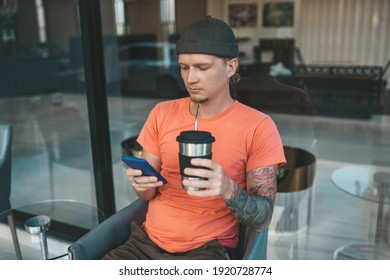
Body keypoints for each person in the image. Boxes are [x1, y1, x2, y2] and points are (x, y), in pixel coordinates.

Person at [102, 16, 286, 260]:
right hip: (144, 243)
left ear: (230, 67)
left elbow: (263, 216)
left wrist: (228, 188)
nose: (190, 79)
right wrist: (141, 185)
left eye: (202, 67)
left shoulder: (258, 127)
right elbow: (147, 195)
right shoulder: (162, 113)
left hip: (207, 251)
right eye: (184, 67)